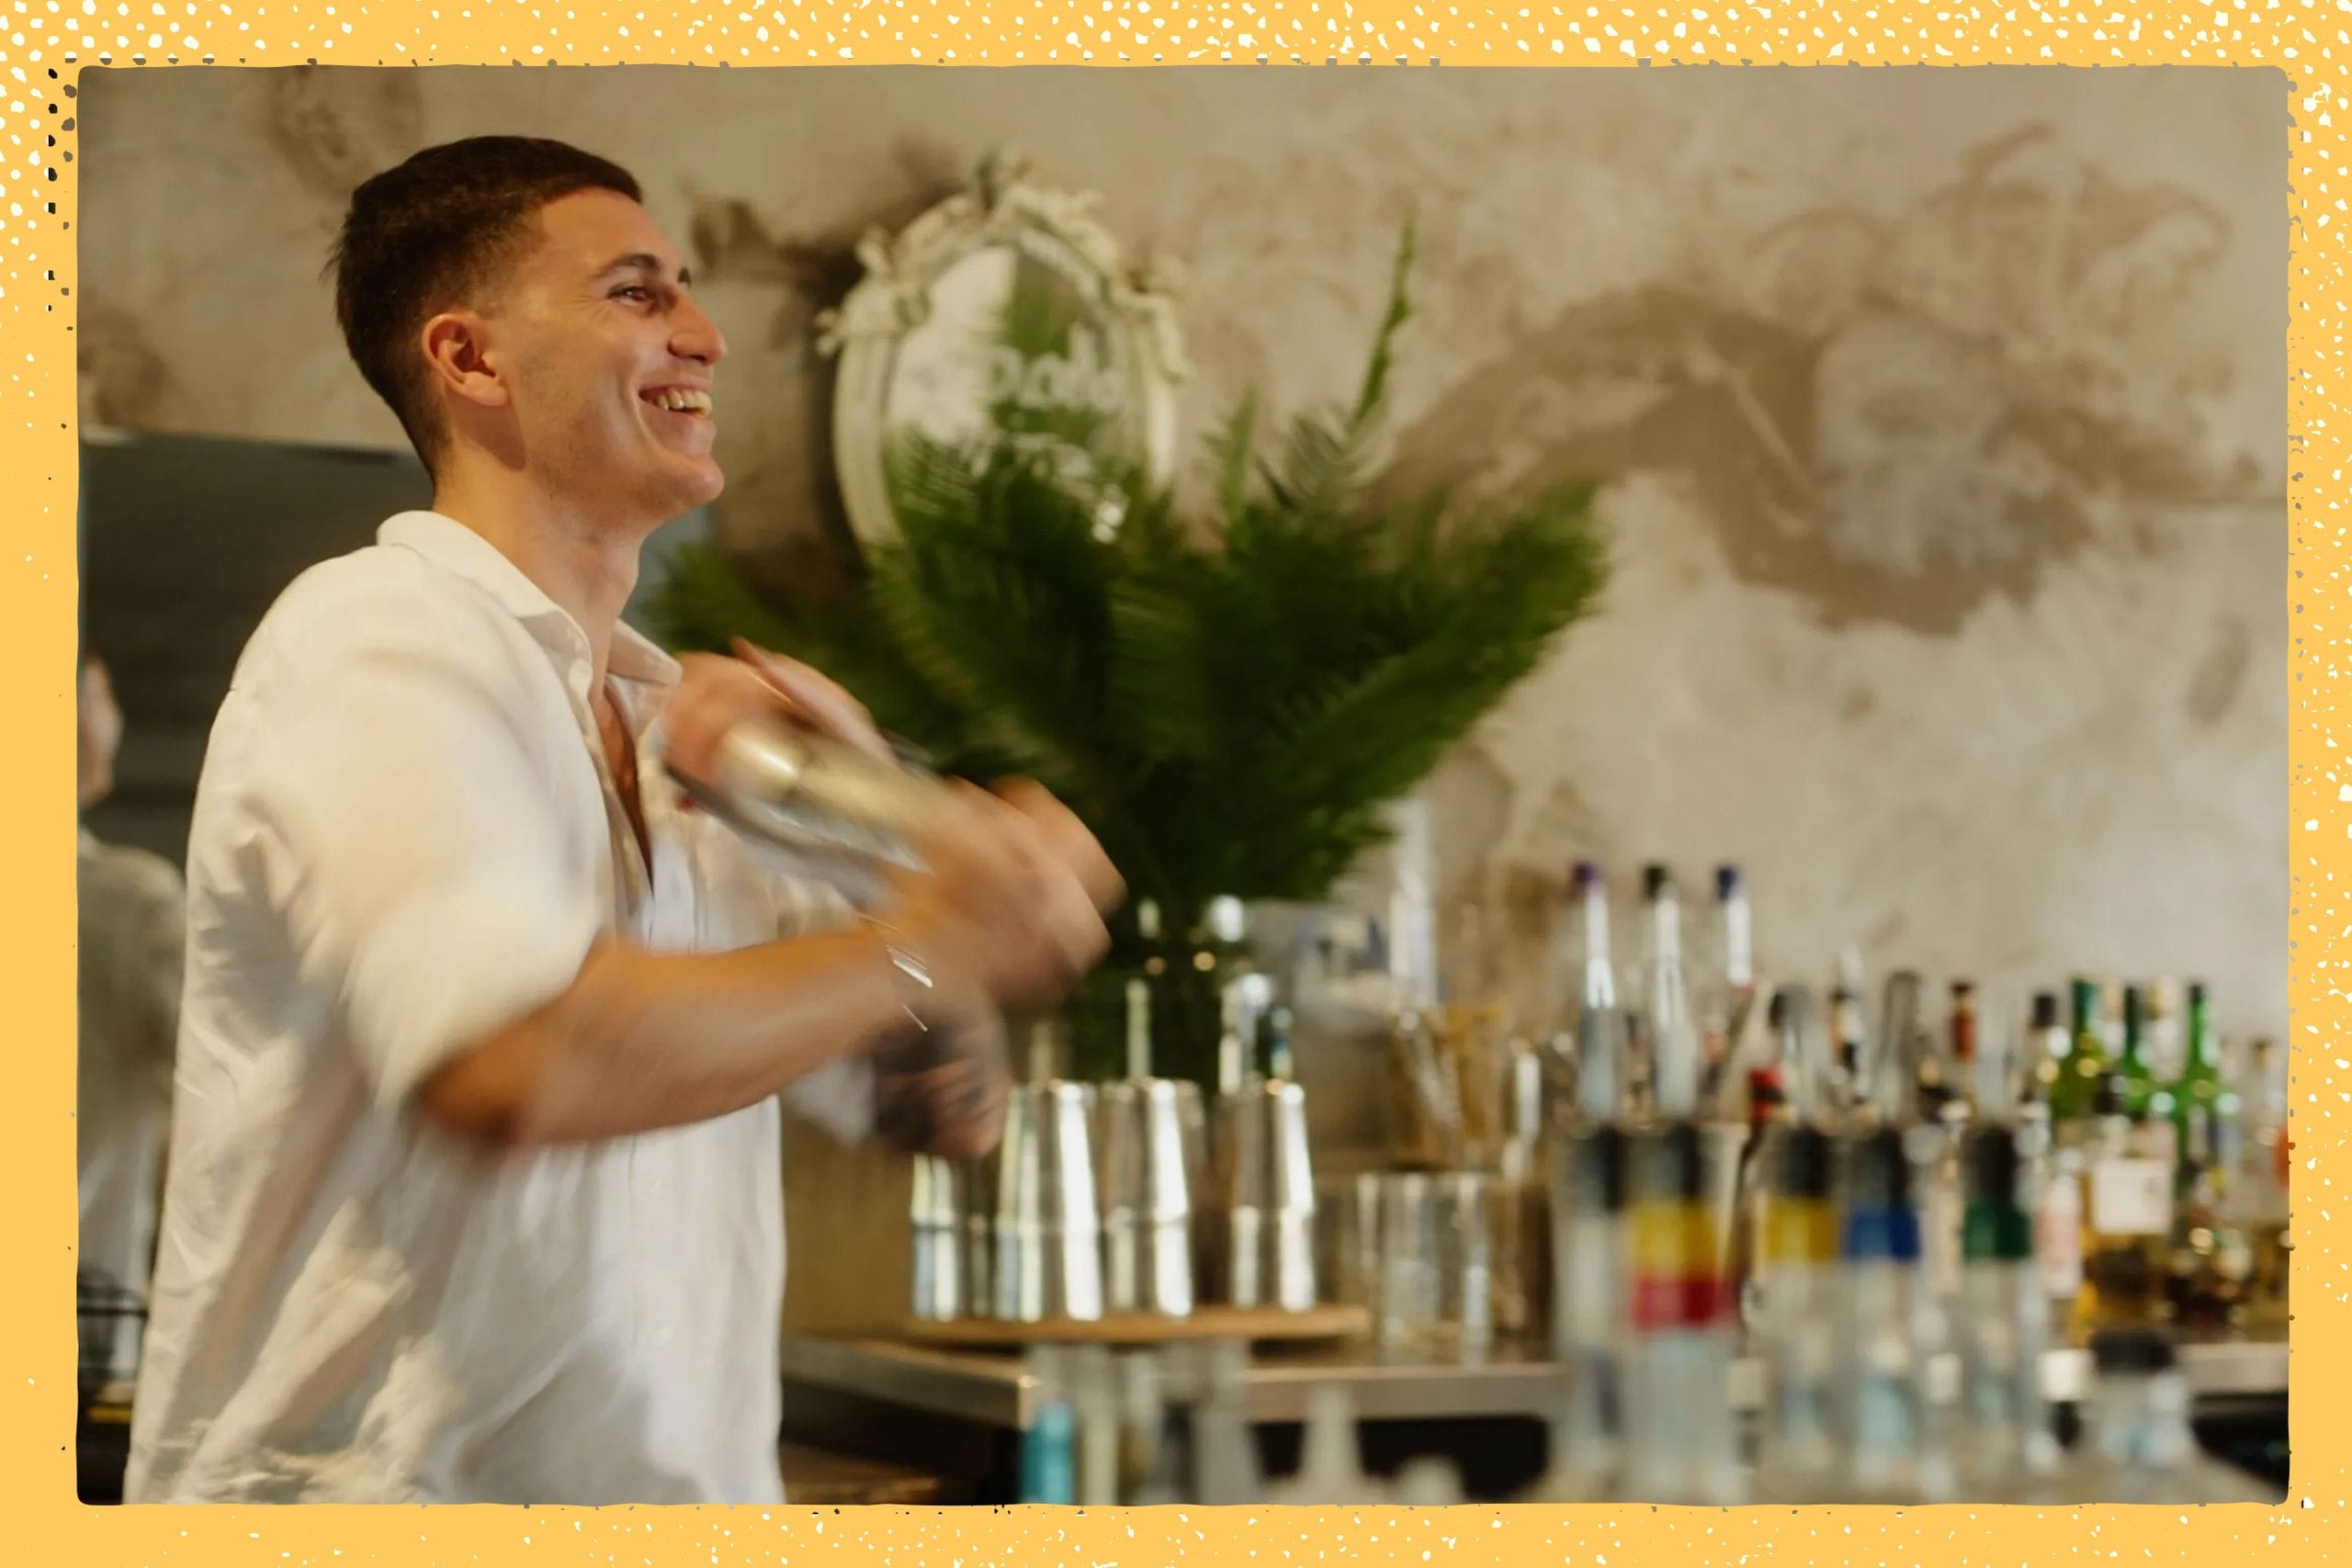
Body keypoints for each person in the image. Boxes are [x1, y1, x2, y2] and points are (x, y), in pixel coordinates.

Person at [124, 136, 1121, 1506]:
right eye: (638, 294)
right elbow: (519, 1064)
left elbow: (939, 1111)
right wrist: (934, 928)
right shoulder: (374, 639)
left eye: (688, 292)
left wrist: (878, 833)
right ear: (471, 360)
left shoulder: (687, 726)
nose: (705, 335)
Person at [75, 655, 187, 1383]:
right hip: (81, 1331)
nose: (112, 713)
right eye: (97, 686)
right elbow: (236, 1095)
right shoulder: (127, 902)